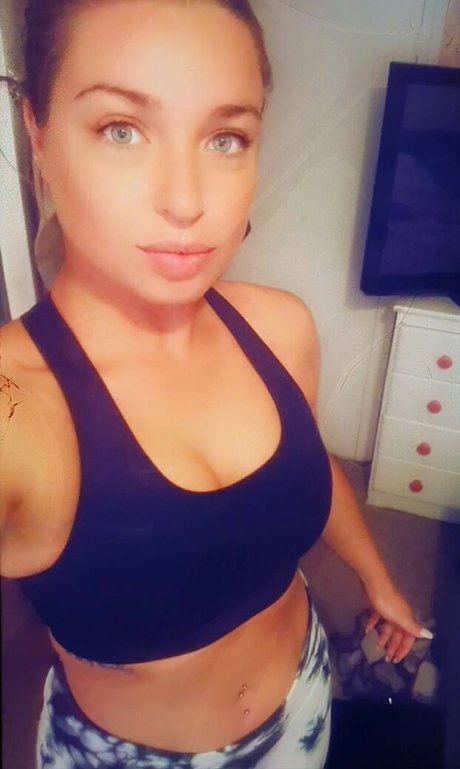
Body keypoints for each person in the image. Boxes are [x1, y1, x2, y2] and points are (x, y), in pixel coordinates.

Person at [0, 1, 433, 767]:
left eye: (226, 138)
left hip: (305, 703)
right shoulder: (19, 411)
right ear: (37, 131)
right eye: (122, 130)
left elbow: (306, 465)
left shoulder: (280, 326)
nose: (187, 200)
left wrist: (377, 577)